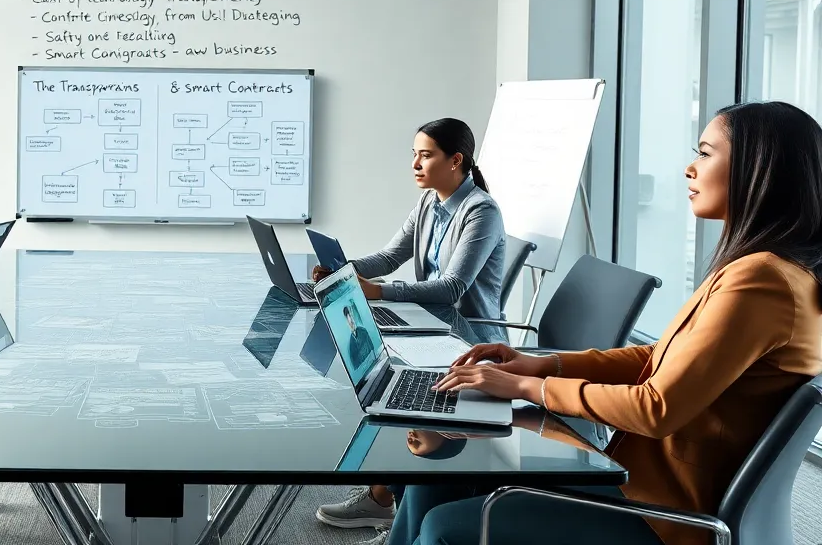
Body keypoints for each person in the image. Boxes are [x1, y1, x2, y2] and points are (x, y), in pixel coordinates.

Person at [367, 101, 822, 545]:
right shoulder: (765, 269)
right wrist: (535, 365)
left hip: (663, 509)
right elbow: (656, 356)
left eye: (704, 153)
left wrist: (529, 389)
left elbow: (654, 408)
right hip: (638, 475)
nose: (689, 168)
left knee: (445, 528)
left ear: (759, 170)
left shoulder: (762, 281)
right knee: (434, 476)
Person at [315, 117, 507, 530]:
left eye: (426, 155)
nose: (415, 164)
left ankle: (383, 499)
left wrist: (379, 293)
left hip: (470, 340)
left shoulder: (481, 212)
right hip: (430, 325)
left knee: (393, 390)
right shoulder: (428, 203)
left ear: (456, 160)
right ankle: (384, 498)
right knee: (378, 379)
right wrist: (342, 272)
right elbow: (388, 258)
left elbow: (453, 287)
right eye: (414, 155)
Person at [345, 303, 376, 371]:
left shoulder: (363, 331)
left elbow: (373, 350)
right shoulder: (351, 344)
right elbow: (357, 367)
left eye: (352, 314)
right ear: (346, 320)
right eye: (349, 315)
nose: (352, 318)